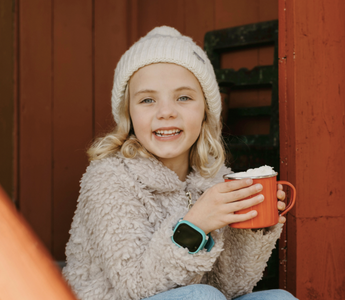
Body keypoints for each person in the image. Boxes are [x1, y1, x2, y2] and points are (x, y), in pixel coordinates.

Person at [62, 26, 297, 300]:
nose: (166, 112)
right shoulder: (109, 178)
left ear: (205, 110)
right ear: (129, 114)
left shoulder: (215, 178)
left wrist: (254, 227)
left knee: (279, 298)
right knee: (201, 296)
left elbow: (231, 287)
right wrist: (194, 225)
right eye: (148, 100)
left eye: (183, 97)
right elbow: (136, 287)